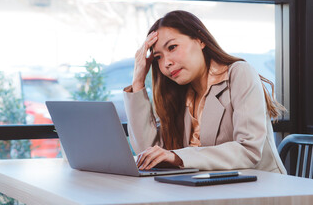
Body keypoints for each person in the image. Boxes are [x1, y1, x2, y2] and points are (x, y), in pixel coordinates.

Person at [123, 10, 287, 174]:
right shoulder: (180, 93)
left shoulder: (239, 73)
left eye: (172, 47)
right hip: (206, 189)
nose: (166, 63)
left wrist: (177, 157)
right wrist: (138, 81)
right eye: (158, 57)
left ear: (200, 40)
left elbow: (248, 150)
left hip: (260, 189)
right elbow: (148, 154)